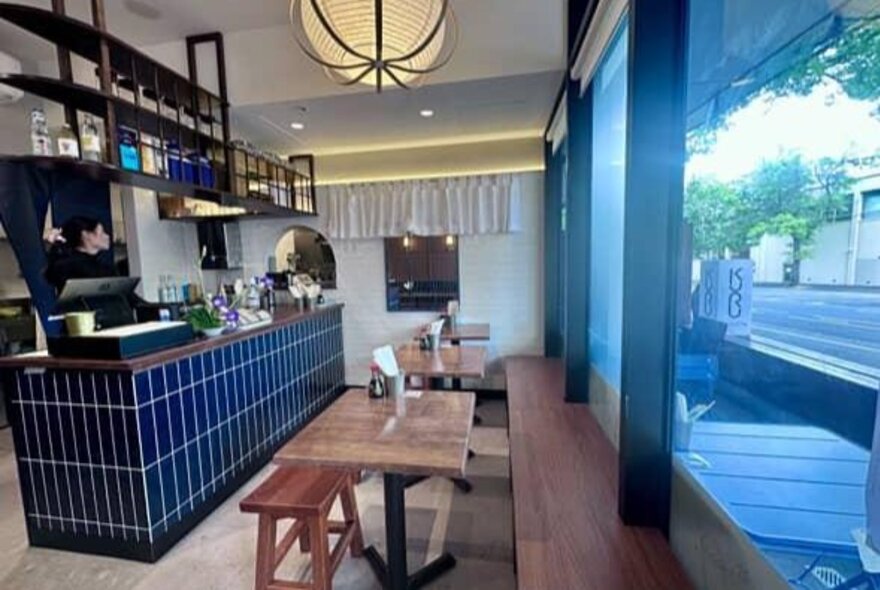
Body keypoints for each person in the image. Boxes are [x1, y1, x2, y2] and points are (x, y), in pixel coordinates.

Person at [44, 216, 115, 293]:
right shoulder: (73, 266)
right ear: (85, 235)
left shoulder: (65, 263)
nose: (107, 236)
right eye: (101, 233)